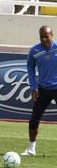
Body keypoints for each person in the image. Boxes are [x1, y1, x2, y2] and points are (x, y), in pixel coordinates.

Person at [21, 26, 57, 156]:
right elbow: (30, 68)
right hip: (43, 90)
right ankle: (31, 149)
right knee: (34, 119)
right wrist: (33, 87)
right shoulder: (34, 50)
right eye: (41, 36)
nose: (44, 39)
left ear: (52, 35)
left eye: (46, 36)